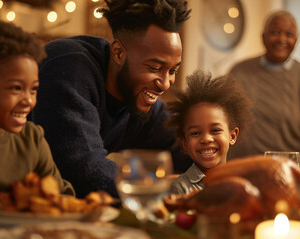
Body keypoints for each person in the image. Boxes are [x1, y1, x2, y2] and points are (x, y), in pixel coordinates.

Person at [30, 0, 192, 198]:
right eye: (154, 68)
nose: (166, 84)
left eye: (173, 71)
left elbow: (190, 150)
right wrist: (164, 185)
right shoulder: (70, 66)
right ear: (118, 52)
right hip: (2, 205)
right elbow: (85, 170)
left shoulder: (138, 98)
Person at [0, 19, 74, 206]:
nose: (29, 101)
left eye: (33, 89)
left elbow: (61, 199)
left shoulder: (32, 139)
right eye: (16, 88)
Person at [227, 10, 300, 159]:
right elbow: (221, 123)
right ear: (263, 37)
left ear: (296, 40)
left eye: (289, 35)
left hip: (286, 174)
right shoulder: (239, 72)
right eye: (275, 32)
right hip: (238, 168)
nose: (281, 39)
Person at [167, 71, 253, 194]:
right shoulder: (180, 189)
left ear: (232, 136)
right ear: (185, 142)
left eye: (215, 130)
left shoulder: (243, 183)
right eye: (195, 133)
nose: (206, 139)